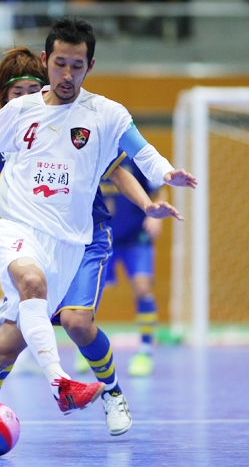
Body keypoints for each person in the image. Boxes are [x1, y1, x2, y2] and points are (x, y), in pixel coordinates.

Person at [0, 16, 196, 451]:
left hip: (70, 244)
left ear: (90, 66)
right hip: (18, 231)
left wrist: (166, 175)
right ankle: (60, 382)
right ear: (47, 60)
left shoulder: (107, 114)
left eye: (77, 66)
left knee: (4, 350)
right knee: (31, 282)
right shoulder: (18, 112)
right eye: (60, 64)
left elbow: (141, 153)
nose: (67, 74)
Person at [100, 154, 166, 376]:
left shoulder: (131, 156)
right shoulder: (91, 152)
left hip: (136, 236)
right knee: (91, 293)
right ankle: (86, 348)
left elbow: (158, 190)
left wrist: (155, 216)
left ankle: (146, 350)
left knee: (143, 288)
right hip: (101, 235)